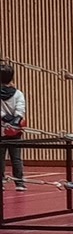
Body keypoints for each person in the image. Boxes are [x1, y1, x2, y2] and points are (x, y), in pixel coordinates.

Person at [0, 61, 27, 191]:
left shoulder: (17, 93)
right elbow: (20, 111)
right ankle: (19, 183)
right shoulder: (18, 94)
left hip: (2, 129)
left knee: (0, 158)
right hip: (15, 130)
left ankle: (1, 182)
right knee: (16, 158)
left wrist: (5, 119)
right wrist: (13, 122)